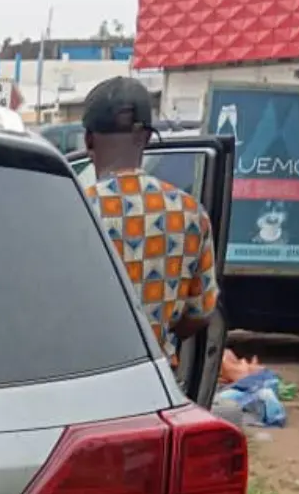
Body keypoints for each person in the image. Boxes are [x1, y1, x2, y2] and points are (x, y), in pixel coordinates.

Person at [81, 76, 219, 373]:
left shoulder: (76, 210)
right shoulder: (191, 213)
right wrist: (160, 333)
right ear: (145, 137)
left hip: (84, 376)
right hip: (155, 379)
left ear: (88, 140)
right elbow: (202, 311)